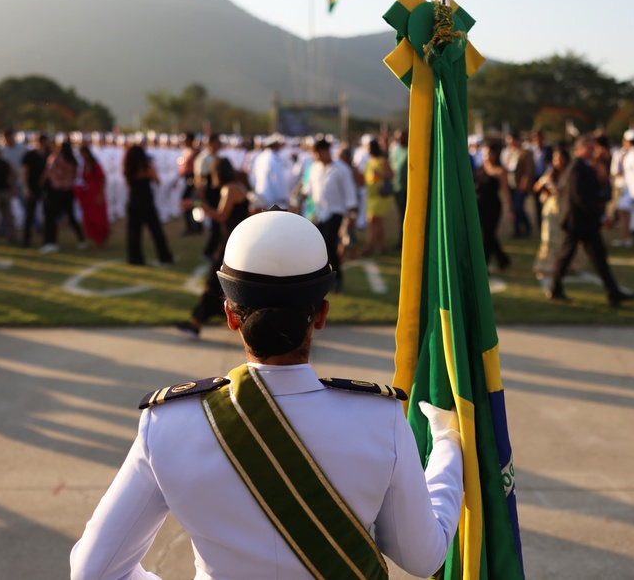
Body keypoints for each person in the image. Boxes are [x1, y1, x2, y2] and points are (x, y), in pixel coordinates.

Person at [71, 210, 465, 580]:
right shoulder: (379, 419)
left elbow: (94, 571)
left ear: (229, 315)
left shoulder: (168, 423)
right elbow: (422, 556)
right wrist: (448, 444)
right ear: (322, 314)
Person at [547, 136, 634, 306]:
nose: (593, 151)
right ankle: (555, 288)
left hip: (586, 222)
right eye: (589, 148)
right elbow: (580, 198)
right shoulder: (577, 168)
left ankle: (613, 292)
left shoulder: (586, 166)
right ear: (579, 149)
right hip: (577, 222)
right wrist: (601, 216)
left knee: (599, 257)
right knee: (566, 256)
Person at [175, 157, 251, 338]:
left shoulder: (229, 189)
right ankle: (201, 321)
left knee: (213, 283)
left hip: (228, 243)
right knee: (224, 285)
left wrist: (199, 205)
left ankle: (196, 322)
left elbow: (221, 217)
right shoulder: (239, 185)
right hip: (236, 241)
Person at [302, 139, 358, 292]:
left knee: (329, 244)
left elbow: (349, 192)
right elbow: (309, 189)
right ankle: (322, 277)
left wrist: (352, 215)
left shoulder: (341, 169)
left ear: (326, 151)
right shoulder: (314, 167)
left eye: (318, 152)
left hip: (335, 211)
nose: (316, 156)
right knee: (318, 245)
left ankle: (337, 278)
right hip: (319, 212)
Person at [533, 144, 583, 282]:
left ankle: (568, 265)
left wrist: (558, 189)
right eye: (555, 158)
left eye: (560, 158)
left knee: (565, 239)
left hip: (565, 209)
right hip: (551, 210)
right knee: (549, 238)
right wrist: (546, 185)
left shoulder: (570, 173)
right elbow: (536, 187)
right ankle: (546, 266)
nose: (558, 161)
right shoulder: (550, 173)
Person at [124, 144, 174, 266]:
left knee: (134, 233)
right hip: (146, 203)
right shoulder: (146, 166)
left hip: (133, 201)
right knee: (156, 232)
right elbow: (156, 180)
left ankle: (135, 259)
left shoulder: (128, 167)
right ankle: (164, 257)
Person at [40, 140, 86, 254]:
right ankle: (81, 240)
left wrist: (42, 183)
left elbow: (48, 173)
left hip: (56, 191)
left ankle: (51, 242)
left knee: (51, 217)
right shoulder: (73, 160)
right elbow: (76, 175)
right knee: (71, 216)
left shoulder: (55, 158)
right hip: (68, 191)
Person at [475, 142, 513, 272]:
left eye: (489, 153)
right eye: (484, 153)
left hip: (493, 207)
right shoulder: (480, 167)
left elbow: (506, 191)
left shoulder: (500, 171)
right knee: (489, 235)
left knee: (488, 235)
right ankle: (503, 260)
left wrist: (510, 209)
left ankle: (484, 265)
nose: (487, 156)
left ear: (495, 154)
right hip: (479, 206)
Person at [362, 138, 394, 257]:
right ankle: (382, 246)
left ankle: (368, 247)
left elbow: (391, 174)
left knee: (373, 220)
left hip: (381, 196)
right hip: (372, 196)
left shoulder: (382, 161)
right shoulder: (369, 162)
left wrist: (380, 174)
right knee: (378, 223)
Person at [75, 145, 110, 247]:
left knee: (98, 217)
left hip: (96, 192)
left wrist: (100, 194)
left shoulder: (95, 165)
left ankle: (101, 238)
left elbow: (102, 179)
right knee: (89, 216)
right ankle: (95, 237)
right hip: (88, 194)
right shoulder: (84, 165)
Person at [20, 133, 52, 247]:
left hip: (45, 189)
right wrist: (25, 188)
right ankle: (26, 240)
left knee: (47, 215)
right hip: (32, 188)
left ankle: (47, 240)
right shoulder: (30, 155)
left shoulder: (49, 155)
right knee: (29, 215)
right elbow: (23, 172)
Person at [389, 129, 409, 250]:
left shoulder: (411, 150)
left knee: (405, 216)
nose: (399, 139)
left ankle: (405, 240)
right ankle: (401, 239)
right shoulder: (395, 151)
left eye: (402, 137)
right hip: (397, 188)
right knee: (401, 216)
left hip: (406, 188)